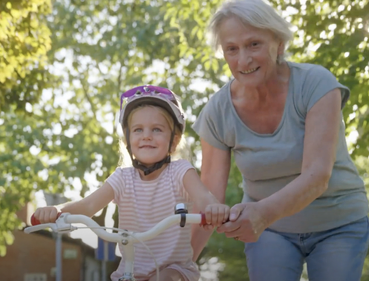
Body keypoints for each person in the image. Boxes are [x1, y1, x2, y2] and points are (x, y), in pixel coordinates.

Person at [191, 0, 369, 280]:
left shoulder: (317, 84)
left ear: (279, 43)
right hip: (270, 232)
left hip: (338, 223)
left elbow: (317, 176)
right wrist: (176, 266)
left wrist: (261, 214)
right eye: (232, 49)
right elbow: (208, 201)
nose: (243, 60)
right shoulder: (217, 111)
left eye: (254, 44)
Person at [33, 85, 230, 281]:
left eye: (156, 129)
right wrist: (56, 210)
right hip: (130, 270)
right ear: (128, 139)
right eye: (138, 129)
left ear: (174, 141)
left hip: (174, 270)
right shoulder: (123, 178)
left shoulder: (180, 172)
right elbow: (88, 206)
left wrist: (213, 209)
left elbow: (204, 198)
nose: (146, 135)